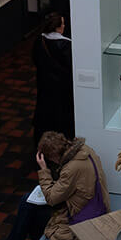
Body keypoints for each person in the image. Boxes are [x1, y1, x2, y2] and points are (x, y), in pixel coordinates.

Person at [0, 132, 109, 240]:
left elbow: (51, 199)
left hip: (80, 214)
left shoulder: (71, 169)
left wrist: (43, 169)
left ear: (52, 155)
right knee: (27, 202)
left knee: (29, 208)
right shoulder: (85, 151)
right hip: (94, 202)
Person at [32, 13, 74, 148]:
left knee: (45, 112)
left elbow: (35, 60)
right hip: (62, 86)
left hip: (44, 84)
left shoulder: (39, 41)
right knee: (62, 113)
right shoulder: (65, 45)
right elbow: (70, 65)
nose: (64, 26)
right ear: (58, 28)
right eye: (62, 23)